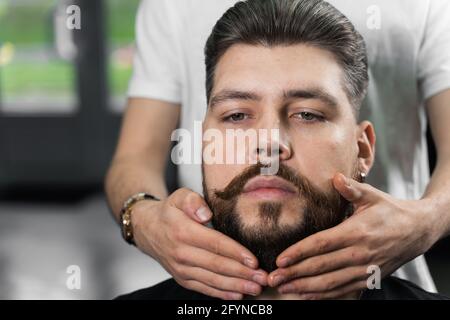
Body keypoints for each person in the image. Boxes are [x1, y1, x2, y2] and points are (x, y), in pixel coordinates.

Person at [105, 0, 450, 300]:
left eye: (308, 114)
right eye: (236, 115)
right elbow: (134, 157)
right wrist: (142, 217)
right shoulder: (171, 4)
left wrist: (426, 221)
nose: (268, 145)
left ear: (363, 148)